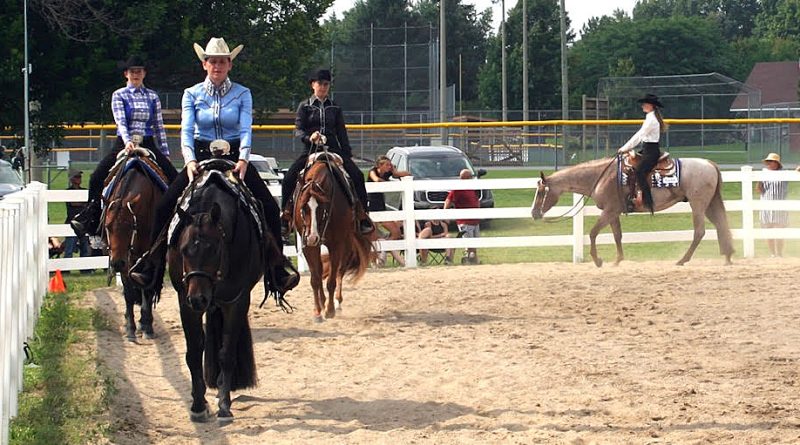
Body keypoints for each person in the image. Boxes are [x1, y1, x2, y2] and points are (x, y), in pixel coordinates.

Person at [129, 37, 298, 294]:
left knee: (267, 206)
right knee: (164, 205)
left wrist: (243, 159)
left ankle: (276, 267)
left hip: (233, 158)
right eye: (212, 61)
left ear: (230, 64)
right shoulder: (192, 94)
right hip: (199, 157)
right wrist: (189, 161)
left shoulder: (242, 93)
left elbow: (245, 129)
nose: (217, 66)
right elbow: (186, 131)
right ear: (204, 65)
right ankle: (152, 264)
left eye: (222, 61)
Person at [70, 55, 178, 238]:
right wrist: (128, 142)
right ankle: (92, 220)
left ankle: (178, 221)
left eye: (139, 71)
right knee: (96, 177)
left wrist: (165, 153)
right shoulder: (119, 95)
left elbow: (159, 126)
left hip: (148, 142)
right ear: (126, 74)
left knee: (175, 177)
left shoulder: (153, 97)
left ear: (144, 74)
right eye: (132, 71)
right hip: (124, 143)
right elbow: (120, 121)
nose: (136, 74)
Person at [281, 69, 373, 238]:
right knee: (288, 178)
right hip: (310, 148)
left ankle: (362, 215)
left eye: (325, 84)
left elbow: (341, 132)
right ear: (312, 85)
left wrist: (347, 153)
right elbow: (298, 131)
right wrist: (310, 138)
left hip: (332, 147)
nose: (322, 87)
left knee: (358, 175)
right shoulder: (305, 106)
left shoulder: (335, 107)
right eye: (319, 83)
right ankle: (285, 215)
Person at [617, 93, 667, 214]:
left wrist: (625, 147)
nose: (643, 106)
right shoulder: (651, 117)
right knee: (632, 167)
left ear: (651, 105)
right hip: (647, 150)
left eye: (645, 103)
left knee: (640, 171)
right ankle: (633, 195)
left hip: (651, 152)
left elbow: (639, 135)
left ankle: (646, 199)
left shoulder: (652, 120)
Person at [368, 155, 410, 266]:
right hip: (370, 207)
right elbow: (376, 180)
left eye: (390, 164)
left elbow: (406, 174)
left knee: (396, 232)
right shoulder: (372, 171)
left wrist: (394, 171)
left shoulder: (387, 173)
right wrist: (389, 183)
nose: (389, 166)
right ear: (379, 166)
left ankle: (385, 246)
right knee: (373, 235)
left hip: (381, 206)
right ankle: (375, 261)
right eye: (387, 165)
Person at [443, 169, 481, 265]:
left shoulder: (471, 188)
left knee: (475, 241)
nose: (472, 178)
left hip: (475, 220)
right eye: (470, 177)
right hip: (465, 220)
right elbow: (448, 200)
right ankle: (469, 258)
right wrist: (445, 214)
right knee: (469, 242)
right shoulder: (458, 188)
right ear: (466, 178)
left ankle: (472, 259)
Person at [757, 152, 789, 257]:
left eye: (771, 162)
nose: (769, 164)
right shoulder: (763, 173)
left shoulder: (783, 173)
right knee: (768, 229)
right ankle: (772, 253)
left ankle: (779, 253)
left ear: (777, 163)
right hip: (766, 204)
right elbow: (758, 189)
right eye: (768, 162)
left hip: (780, 205)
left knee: (779, 229)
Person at [63, 169, 91, 272]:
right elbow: (74, 203)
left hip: (83, 222)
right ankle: (66, 269)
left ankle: (85, 269)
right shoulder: (68, 191)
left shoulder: (84, 190)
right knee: (69, 247)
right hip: (71, 221)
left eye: (80, 177)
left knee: (85, 246)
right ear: (71, 179)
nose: (79, 179)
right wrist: (83, 203)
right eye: (77, 177)